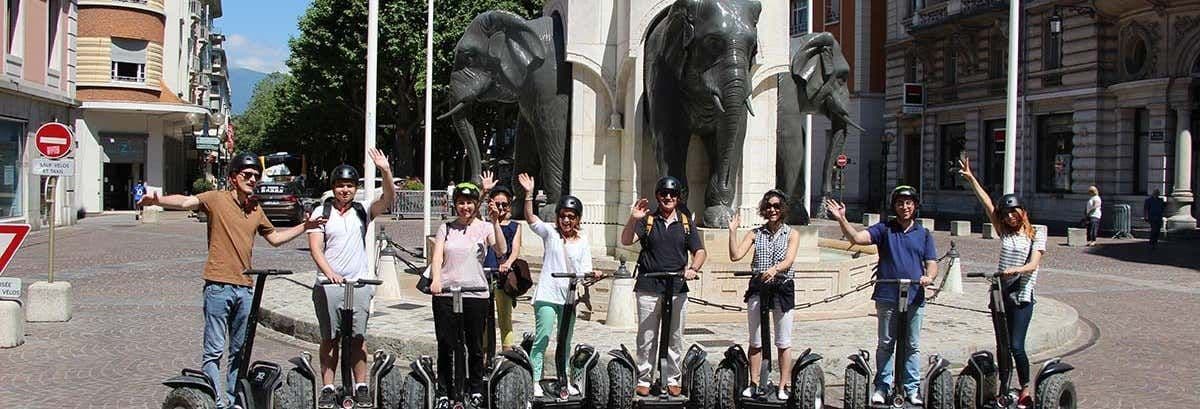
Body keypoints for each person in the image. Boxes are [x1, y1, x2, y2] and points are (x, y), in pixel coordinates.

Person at [138, 152, 324, 409]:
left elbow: (275, 239)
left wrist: (305, 226)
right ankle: (214, 402)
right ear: (233, 178)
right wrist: (157, 199)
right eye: (246, 175)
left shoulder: (256, 208)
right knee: (213, 351)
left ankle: (235, 401)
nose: (252, 179)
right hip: (218, 285)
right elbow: (185, 202)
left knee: (240, 351)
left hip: (245, 288)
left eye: (255, 176)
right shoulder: (216, 199)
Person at [825, 186, 937, 406]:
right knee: (886, 343)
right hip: (887, 295)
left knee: (912, 345)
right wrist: (841, 219)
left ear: (914, 206)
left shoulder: (923, 234)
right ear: (894, 206)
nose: (904, 207)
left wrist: (929, 277)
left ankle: (911, 387)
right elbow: (856, 238)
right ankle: (883, 386)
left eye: (908, 203)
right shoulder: (885, 229)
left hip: (914, 296)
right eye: (900, 203)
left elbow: (931, 264)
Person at [307, 148, 396, 408]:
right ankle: (327, 387)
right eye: (340, 185)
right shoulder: (321, 211)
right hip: (329, 285)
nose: (344, 190)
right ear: (333, 188)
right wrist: (329, 273)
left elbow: (388, 199)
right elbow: (315, 248)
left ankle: (361, 385)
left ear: (355, 188)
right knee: (330, 338)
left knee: (358, 338)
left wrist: (385, 170)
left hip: (359, 284)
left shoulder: (362, 210)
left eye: (349, 186)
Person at [959, 157, 1045, 407]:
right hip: (1000, 293)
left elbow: (1033, 264)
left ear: (1022, 212)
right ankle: (1005, 388)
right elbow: (987, 204)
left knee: (1017, 345)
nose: (1009, 217)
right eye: (1005, 214)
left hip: (1022, 294)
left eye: (1013, 212)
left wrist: (1012, 271)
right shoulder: (1004, 231)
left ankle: (1026, 388)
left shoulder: (1037, 233)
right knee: (1002, 345)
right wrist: (972, 179)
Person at [619, 176, 707, 397]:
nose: (668, 197)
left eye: (673, 194)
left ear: (678, 198)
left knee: (675, 336)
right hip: (649, 285)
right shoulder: (647, 220)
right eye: (664, 194)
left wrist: (693, 269)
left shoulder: (686, 222)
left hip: (677, 286)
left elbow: (700, 251)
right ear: (658, 196)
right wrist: (633, 218)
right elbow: (626, 240)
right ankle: (644, 378)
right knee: (647, 336)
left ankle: (672, 378)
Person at [517, 173, 601, 397]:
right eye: (563, 216)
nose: (566, 221)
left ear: (578, 219)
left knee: (565, 340)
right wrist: (528, 194)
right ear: (557, 217)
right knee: (543, 338)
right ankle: (535, 379)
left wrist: (594, 275)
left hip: (569, 298)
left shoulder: (583, 241)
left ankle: (565, 380)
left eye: (571, 217)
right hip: (547, 294)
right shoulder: (550, 234)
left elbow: (585, 271)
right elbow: (530, 218)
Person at [428, 182, 507, 404]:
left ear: (476, 205)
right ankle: (444, 391)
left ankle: (475, 388)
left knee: (474, 345)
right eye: (461, 203)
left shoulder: (485, 227)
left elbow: (502, 250)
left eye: (470, 203)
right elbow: (437, 257)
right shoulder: (446, 228)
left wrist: (495, 222)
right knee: (446, 344)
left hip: (475, 293)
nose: (465, 207)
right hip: (446, 292)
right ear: (455, 205)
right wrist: (436, 280)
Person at [727, 189, 801, 400]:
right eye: (768, 206)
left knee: (783, 340)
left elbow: (789, 260)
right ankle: (755, 382)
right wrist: (732, 231)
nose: (772, 210)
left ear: (783, 209)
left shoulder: (792, 234)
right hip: (759, 288)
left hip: (782, 288)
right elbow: (735, 255)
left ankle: (783, 385)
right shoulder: (755, 233)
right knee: (756, 339)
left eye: (777, 206)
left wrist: (775, 269)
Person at [480, 170, 522, 353]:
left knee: (504, 317)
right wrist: (484, 191)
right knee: (483, 319)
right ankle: (483, 354)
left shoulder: (514, 226)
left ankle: (507, 352)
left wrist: (507, 264)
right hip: (484, 273)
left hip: (502, 275)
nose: (501, 208)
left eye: (505, 205)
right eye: (497, 204)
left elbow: (515, 250)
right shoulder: (485, 223)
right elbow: (472, 210)